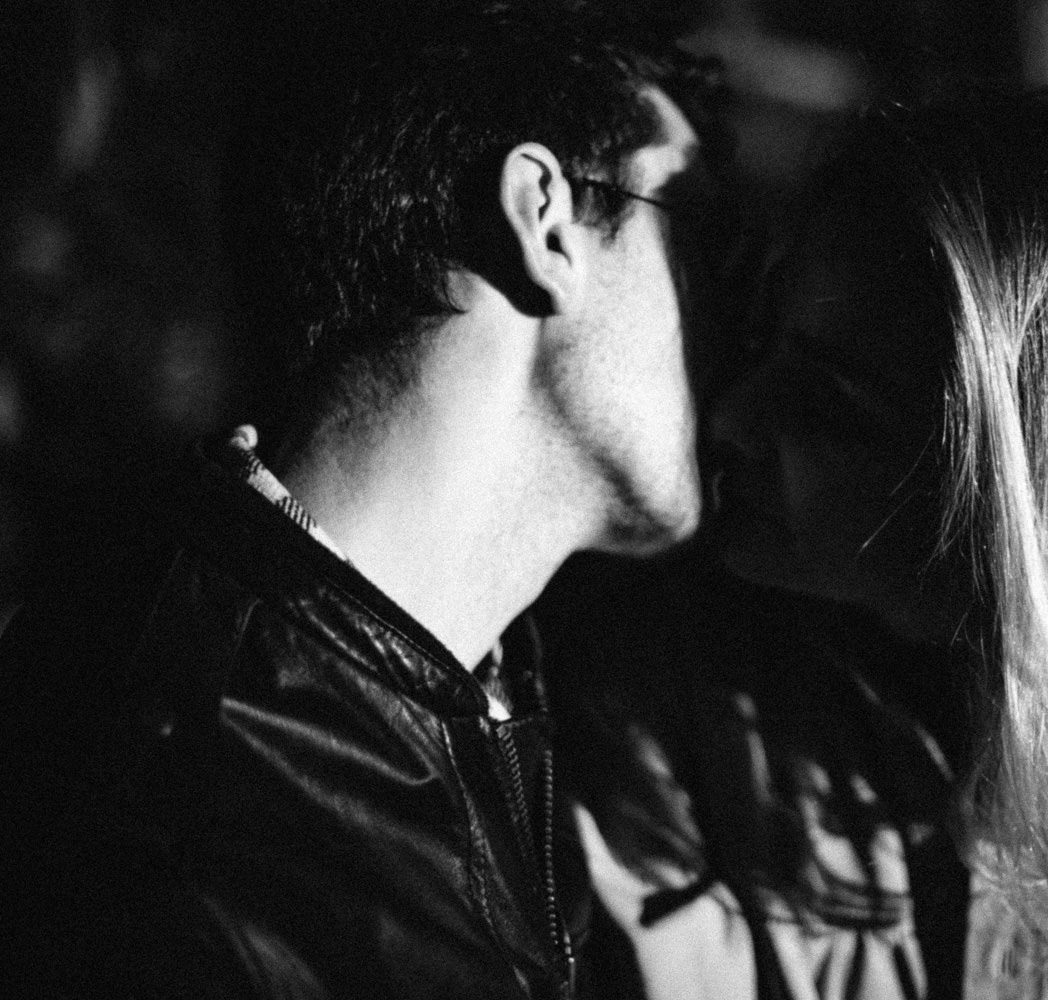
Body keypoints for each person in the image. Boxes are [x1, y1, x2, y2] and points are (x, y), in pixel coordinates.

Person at [546, 88, 1048, 999]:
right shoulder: (660, 659)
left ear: (1021, 493)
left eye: (829, 405)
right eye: (759, 338)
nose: (733, 417)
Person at [0, 2, 720, 997]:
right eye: (702, 230)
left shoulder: (479, 716)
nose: (740, 314)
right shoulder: (177, 853)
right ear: (546, 219)